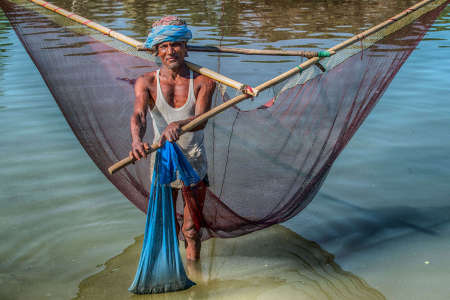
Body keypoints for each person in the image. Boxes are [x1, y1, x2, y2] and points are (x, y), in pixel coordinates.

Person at [129, 16, 216, 261]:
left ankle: (195, 277)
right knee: (166, 226)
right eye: (164, 46)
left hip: (193, 162)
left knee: (191, 229)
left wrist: (178, 124)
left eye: (176, 44)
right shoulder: (146, 82)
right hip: (162, 162)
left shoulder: (203, 81)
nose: (171, 51)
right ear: (156, 51)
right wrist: (137, 140)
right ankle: (168, 270)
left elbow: (201, 120)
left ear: (186, 47)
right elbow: (139, 115)